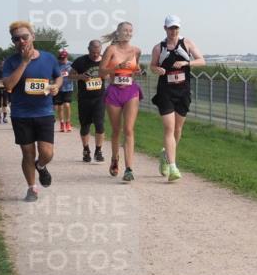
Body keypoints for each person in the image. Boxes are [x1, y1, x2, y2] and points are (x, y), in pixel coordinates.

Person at [1, 21, 62, 202]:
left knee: (47, 153)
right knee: (27, 153)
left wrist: (56, 87)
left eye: (24, 37)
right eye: (16, 39)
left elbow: (58, 76)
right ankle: (32, 188)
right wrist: (24, 63)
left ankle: (41, 166)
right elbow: (9, 85)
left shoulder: (49, 58)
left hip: (44, 112)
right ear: (13, 42)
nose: (21, 41)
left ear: (32, 37)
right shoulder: (11, 62)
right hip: (21, 114)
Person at [149, 15, 205, 182]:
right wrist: (156, 69)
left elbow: (202, 60)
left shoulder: (187, 43)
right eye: (171, 28)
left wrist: (186, 64)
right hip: (165, 91)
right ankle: (173, 167)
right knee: (169, 128)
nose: (174, 31)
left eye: (176, 28)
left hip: (183, 91)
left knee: (177, 130)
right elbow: (152, 65)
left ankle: (166, 156)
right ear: (165, 28)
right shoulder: (159, 47)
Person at [99, 22, 143, 182]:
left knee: (129, 129)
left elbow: (134, 71)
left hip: (131, 91)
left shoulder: (136, 50)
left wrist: (137, 70)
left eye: (130, 31)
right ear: (118, 33)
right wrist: (117, 67)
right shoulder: (111, 50)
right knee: (116, 130)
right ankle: (115, 158)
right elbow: (101, 72)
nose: (128, 33)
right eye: (125, 30)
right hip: (114, 91)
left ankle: (129, 169)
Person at [68, 40, 106, 163]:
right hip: (84, 99)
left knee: (100, 125)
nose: (95, 54)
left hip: (99, 98)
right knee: (85, 126)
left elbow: (111, 75)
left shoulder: (104, 61)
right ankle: (86, 150)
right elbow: (69, 76)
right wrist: (80, 77)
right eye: (93, 52)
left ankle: (98, 150)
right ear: (88, 49)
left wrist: (106, 76)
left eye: (98, 52)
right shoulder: (80, 61)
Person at [54, 49, 75, 132]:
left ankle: (68, 122)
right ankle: (62, 123)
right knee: (60, 106)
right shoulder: (56, 65)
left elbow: (75, 74)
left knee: (67, 105)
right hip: (59, 88)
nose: (62, 60)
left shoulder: (71, 65)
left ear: (67, 57)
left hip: (68, 87)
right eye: (60, 58)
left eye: (63, 58)